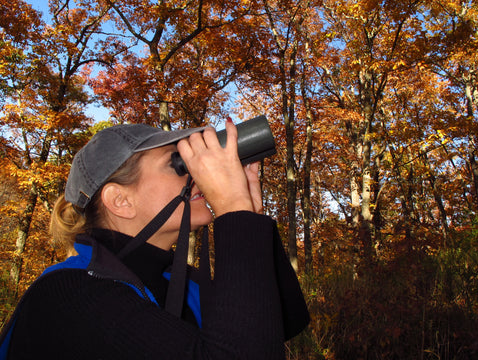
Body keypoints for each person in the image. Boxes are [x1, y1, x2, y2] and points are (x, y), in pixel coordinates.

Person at [0, 119, 310, 359]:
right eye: (177, 164)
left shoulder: (182, 284)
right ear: (121, 200)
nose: (197, 175)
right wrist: (234, 214)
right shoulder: (69, 294)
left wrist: (251, 219)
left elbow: (285, 320)